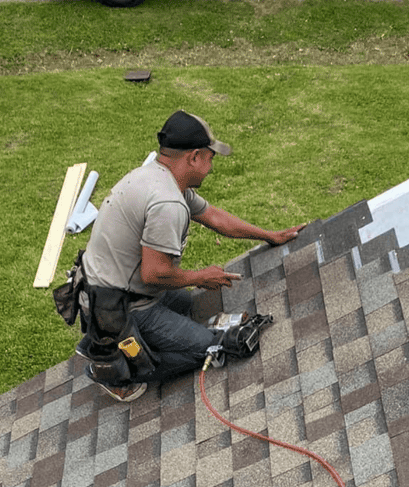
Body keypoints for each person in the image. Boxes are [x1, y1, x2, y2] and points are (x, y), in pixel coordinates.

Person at [79, 110, 305, 401]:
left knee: (185, 303)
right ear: (195, 157)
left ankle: (111, 341)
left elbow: (215, 217)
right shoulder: (167, 203)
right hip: (118, 306)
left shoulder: (158, 177)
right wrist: (200, 277)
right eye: (210, 158)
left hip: (110, 290)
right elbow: (154, 273)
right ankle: (112, 368)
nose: (211, 168)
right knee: (212, 348)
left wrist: (269, 235)